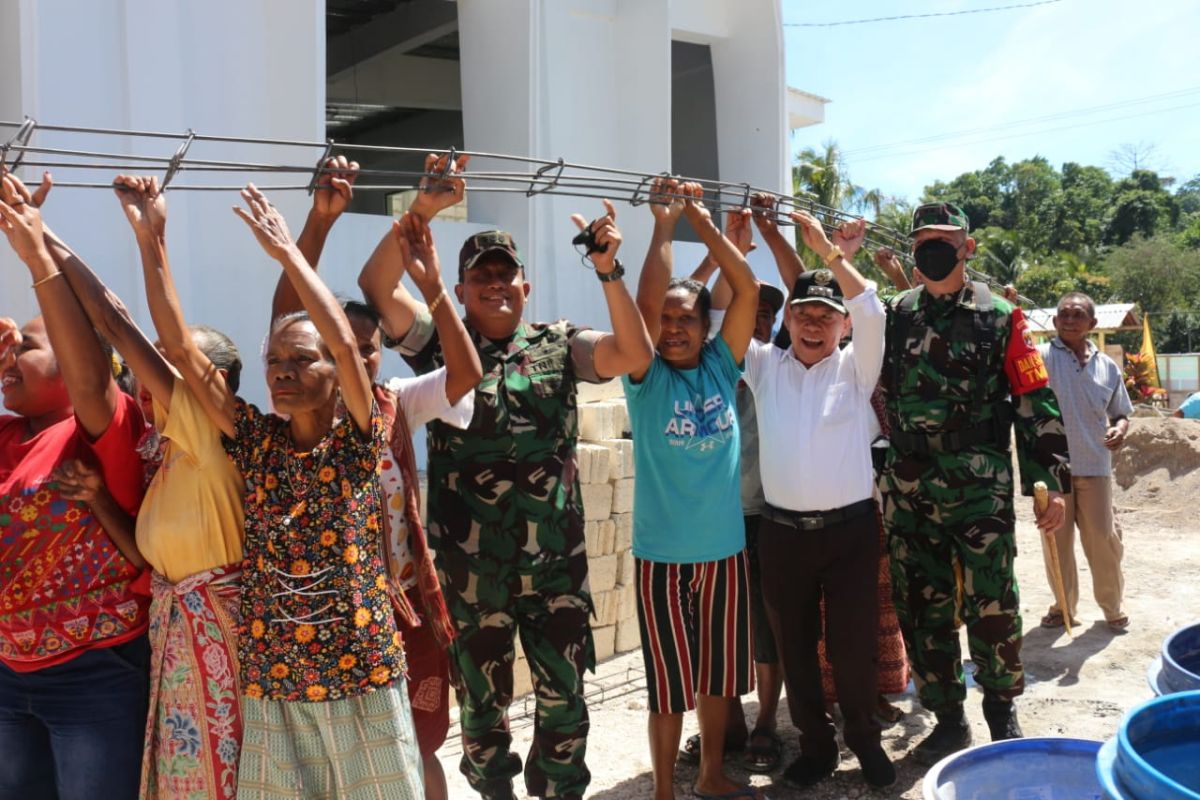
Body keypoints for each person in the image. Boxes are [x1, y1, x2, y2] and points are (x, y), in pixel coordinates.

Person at [360, 158, 653, 800]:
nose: (495, 284)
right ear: (461, 289)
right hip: (472, 572)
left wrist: (607, 268)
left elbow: (634, 355)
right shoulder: (442, 346)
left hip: (555, 570)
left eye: (506, 274)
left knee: (564, 703)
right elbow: (376, 287)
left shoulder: (559, 343)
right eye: (480, 276)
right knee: (482, 712)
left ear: (527, 286)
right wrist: (424, 210)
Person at [168, 183, 422, 799]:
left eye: (301, 360)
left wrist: (291, 254)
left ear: (343, 373)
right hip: (274, 681)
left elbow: (339, 337)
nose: (282, 370)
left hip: (361, 674)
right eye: (273, 360)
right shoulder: (257, 443)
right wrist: (151, 241)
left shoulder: (359, 442)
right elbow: (179, 348)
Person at [273, 155, 481, 800]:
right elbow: (286, 315)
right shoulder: (298, 418)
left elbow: (464, 374)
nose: (359, 356)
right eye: (342, 348)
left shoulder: (396, 403)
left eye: (367, 347)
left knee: (416, 751)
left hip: (403, 609)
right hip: (321, 616)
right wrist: (316, 224)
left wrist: (436, 282)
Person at [879, 201, 1070, 765]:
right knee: (921, 604)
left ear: (969, 246)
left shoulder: (1002, 314)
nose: (932, 248)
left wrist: (1049, 479)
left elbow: (1034, 399)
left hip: (978, 483)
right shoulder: (895, 312)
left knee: (993, 600)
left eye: (945, 238)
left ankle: (1001, 709)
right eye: (923, 240)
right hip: (909, 486)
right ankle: (947, 716)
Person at [0, 173, 150, 799]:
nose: (8, 360)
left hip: (95, 672)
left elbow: (91, 381)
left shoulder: (102, 427)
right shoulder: (7, 437)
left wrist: (38, 257)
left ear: (70, 357)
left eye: (25, 349)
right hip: (7, 672)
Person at [735, 208, 895, 789]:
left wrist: (830, 253)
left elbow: (872, 309)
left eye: (825, 316)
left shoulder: (857, 370)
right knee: (795, 650)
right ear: (787, 321)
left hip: (850, 533)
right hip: (781, 535)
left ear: (841, 327)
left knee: (851, 650)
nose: (812, 324)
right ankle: (816, 748)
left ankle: (864, 741)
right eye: (802, 313)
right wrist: (737, 249)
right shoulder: (763, 365)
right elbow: (727, 320)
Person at [624, 179, 759, 800]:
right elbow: (647, 297)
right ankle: (663, 793)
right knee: (667, 684)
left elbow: (749, 290)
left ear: (708, 327)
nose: (673, 327)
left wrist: (703, 223)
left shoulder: (722, 364)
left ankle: (709, 777)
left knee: (714, 678)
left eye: (687, 319)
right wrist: (662, 224)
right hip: (662, 559)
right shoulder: (645, 376)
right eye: (666, 319)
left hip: (724, 552)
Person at [681, 211, 788, 775]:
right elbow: (690, 301)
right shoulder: (713, 367)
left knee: (768, 627)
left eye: (769, 313)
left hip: (771, 518)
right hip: (718, 520)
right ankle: (733, 724)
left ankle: (768, 720)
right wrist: (727, 245)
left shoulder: (788, 369)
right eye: (753, 311)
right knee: (716, 630)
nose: (760, 320)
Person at [1038, 292, 1132, 632]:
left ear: (1092, 324)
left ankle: (1112, 608)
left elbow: (1121, 413)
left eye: (1078, 315)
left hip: (1095, 466)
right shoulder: (1042, 357)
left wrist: (1119, 429)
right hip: (1052, 470)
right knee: (1056, 545)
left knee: (1103, 541)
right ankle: (1062, 607)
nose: (1069, 320)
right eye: (1063, 314)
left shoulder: (1107, 365)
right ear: (1054, 321)